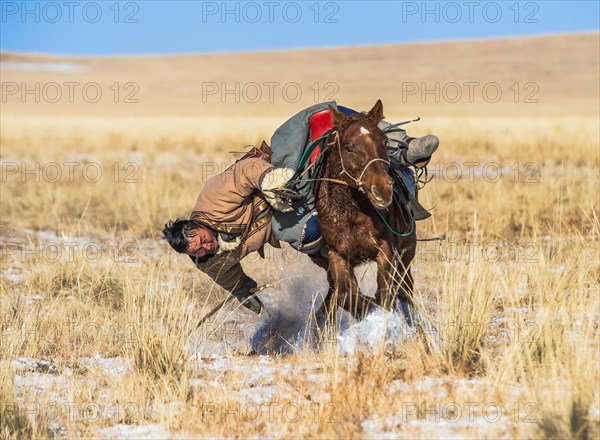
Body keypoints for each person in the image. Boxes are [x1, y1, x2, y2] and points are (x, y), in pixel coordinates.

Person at [163, 102, 439, 315]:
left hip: (278, 182)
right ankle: (346, 293)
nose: (204, 247)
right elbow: (229, 277)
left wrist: (269, 181)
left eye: (200, 241)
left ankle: (404, 149)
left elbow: (244, 171)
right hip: (284, 214)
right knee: (299, 233)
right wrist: (245, 293)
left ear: (196, 226)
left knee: (327, 140)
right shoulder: (210, 261)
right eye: (198, 251)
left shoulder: (213, 199)